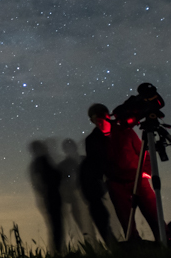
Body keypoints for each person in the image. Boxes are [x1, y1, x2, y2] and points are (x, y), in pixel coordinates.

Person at [102, 102, 162, 241]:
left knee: (153, 213)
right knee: (126, 220)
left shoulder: (125, 130)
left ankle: (165, 239)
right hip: (116, 183)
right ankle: (135, 245)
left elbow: (143, 151)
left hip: (137, 179)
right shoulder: (95, 139)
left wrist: (146, 171)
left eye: (101, 118)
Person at [81, 104, 116, 246]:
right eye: (97, 119)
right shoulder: (92, 140)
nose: (100, 122)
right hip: (103, 180)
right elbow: (96, 162)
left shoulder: (121, 131)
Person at [56, 137, 97, 247]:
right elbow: (61, 184)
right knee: (85, 228)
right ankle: (94, 249)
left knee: (95, 224)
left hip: (90, 196)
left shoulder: (83, 160)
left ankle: (99, 249)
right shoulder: (64, 165)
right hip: (77, 199)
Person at [28, 140, 64, 254]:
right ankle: (57, 252)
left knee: (55, 226)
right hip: (51, 197)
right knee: (56, 226)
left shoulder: (37, 163)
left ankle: (57, 252)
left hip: (48, 197)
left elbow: (37, 184)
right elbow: (53, 177)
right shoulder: (42, 161)